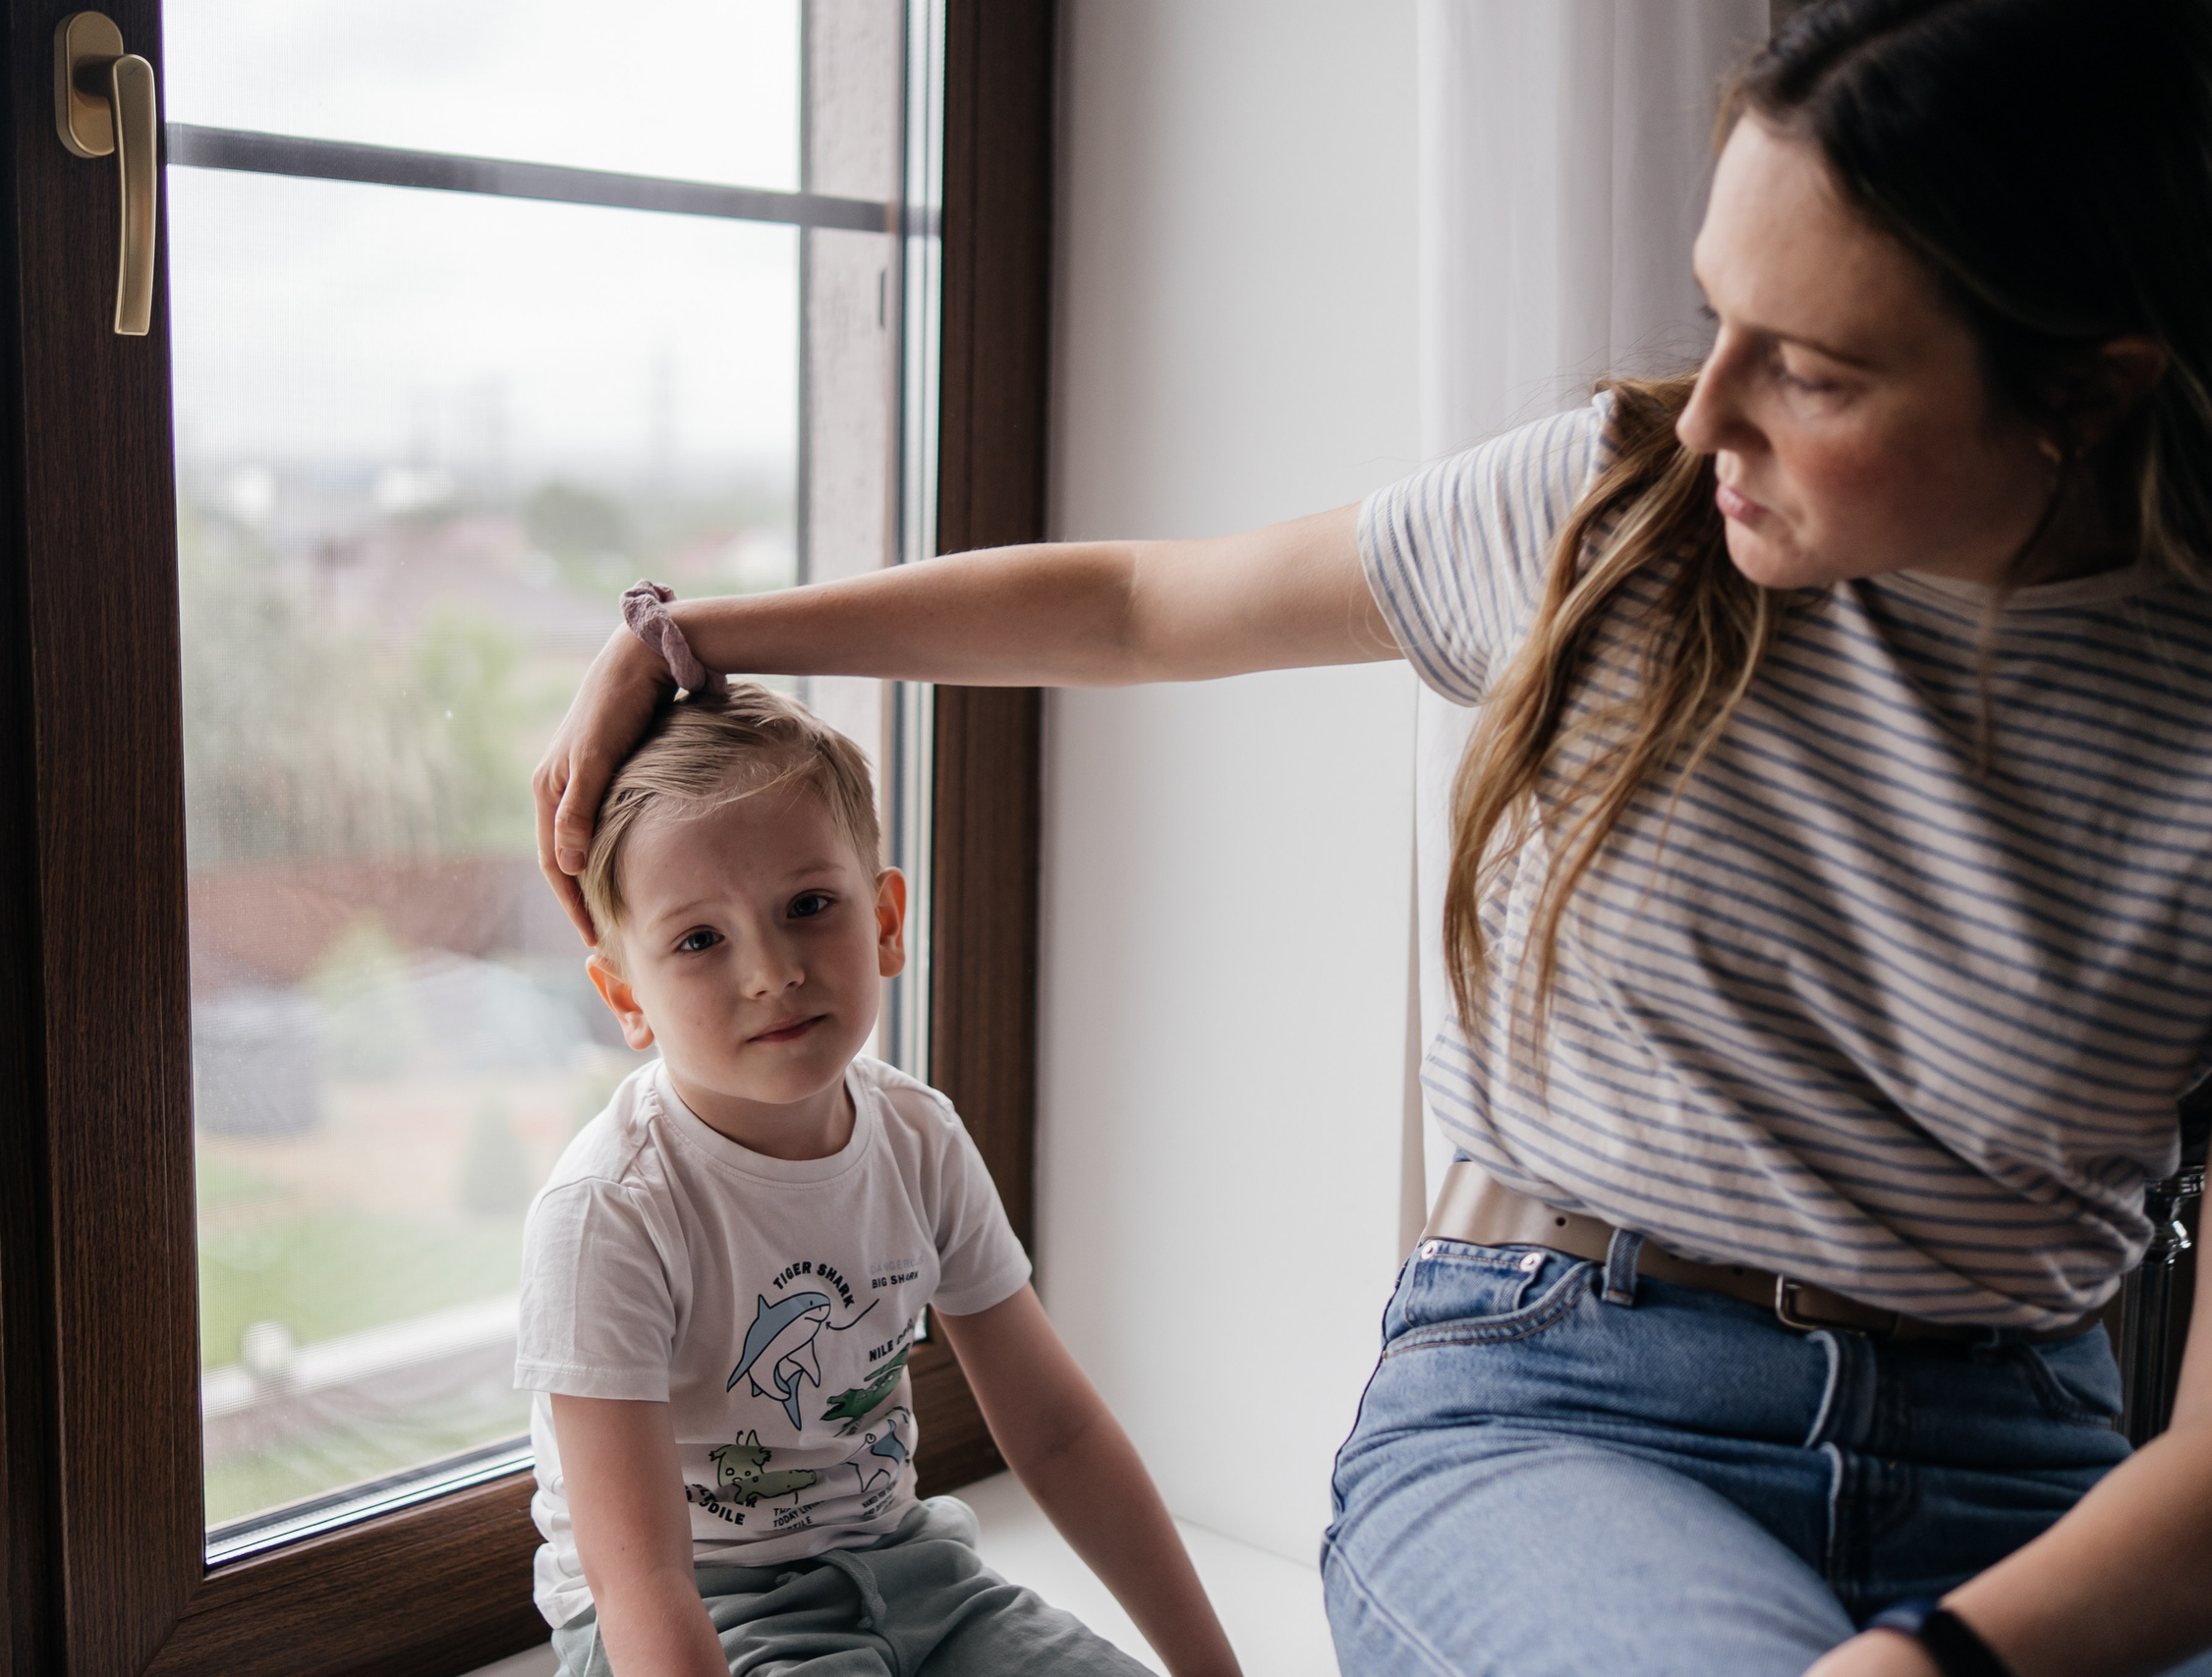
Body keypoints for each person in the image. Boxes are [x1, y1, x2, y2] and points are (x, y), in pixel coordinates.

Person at [533, 4, 2212, 1673]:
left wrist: (1948, 1656)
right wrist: (699, 637)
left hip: (2027, 1454)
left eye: (1813, 367)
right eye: (1717, 319)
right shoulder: (1619, 515)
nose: (1705, 413)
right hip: (1577, 1397)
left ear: (2084, 389)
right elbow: (1139, 605)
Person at [515, 679, 1243, 1677]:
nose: (771, 971)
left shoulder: (918, 1137)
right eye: (699, 940)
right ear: (625, 996)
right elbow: (640, 1582)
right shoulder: (609, 1212)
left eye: (809, 906)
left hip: (915, 1575)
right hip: (703, 1617)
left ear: (887, 919)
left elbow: (1060, 1436)